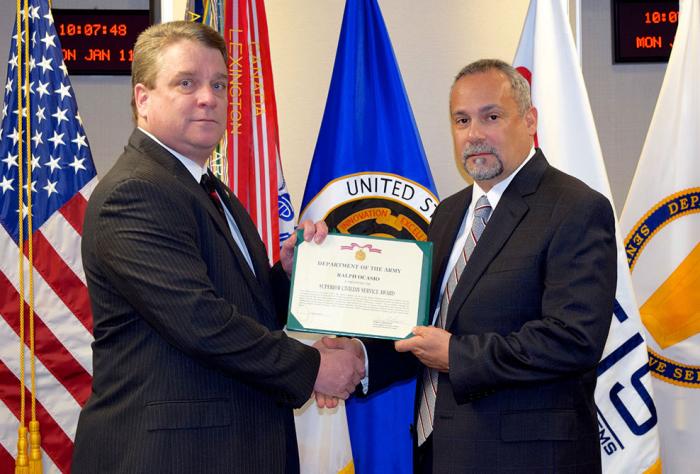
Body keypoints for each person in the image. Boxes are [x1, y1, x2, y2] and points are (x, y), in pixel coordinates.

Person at [71, 21, 363, 474]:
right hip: (170, 458)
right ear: (143, 98)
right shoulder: (135, 192)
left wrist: (285, 274)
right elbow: (199, 320)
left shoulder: (206, 188)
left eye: (219, 84)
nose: (209, 97)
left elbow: (239, 306)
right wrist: (313, 368)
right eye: (186, 83)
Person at [326, 58, 617, 473]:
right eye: (462, 120)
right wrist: (358, 358)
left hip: (526, 461)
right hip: (437, 453)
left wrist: (458, 355)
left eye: (491, 116)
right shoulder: (447, 214)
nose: (474, 134)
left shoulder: (575, 208)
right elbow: (424, 328)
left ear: (530, 121)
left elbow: (573, 339)